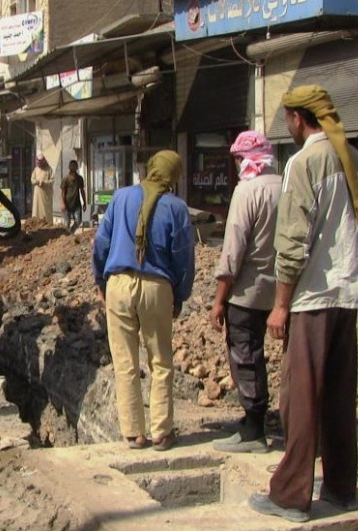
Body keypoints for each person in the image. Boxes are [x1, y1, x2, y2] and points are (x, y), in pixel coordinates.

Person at [248, 85, 358, 523]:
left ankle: (290, 495)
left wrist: (281, 304)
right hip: (348, 296)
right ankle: (341, 488)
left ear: (298, 119)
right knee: (339, 396)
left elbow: (293, 243)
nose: (287, 126)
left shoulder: (304, 162)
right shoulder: (355, 159)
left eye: (287, 118)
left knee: (300, 399)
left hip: (314, 298)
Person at [93, 150, 194, 452]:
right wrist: (180, 295)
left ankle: (134, 433)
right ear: (174, 175)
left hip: (118, 285)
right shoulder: (177, 208)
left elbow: (101, 243)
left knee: (125, 362)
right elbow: (184, 258)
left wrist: (101, 281)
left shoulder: (121, 198)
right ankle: (161, 432)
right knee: (161, 361)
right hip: (157, 287)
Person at [209, 131, 282, 454]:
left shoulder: (247, 191)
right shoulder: (287, 186)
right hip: (283, 292)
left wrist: (218, 300)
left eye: (238, 159)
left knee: (246, 357)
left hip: (248, 294)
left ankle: (254, 430)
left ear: (244, 160)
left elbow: (232, 251)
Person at [60, 160, 86, 233]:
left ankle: (71, 232)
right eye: (71, 166)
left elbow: (82, 191)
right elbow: (62, 192)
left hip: (77, 204)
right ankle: (65, 237)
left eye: (74, 166)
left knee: (78, 221)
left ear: (77, 167)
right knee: (66, 223)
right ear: (69, 167)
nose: (73, 167)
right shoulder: (66, 178)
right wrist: (62, 203)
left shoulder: (80, 178)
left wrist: (84, 202)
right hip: (67, 204)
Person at [30, 153, 54, 223]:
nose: (39, 164)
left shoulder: (49, 170)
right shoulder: (36, 169)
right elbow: (32, 180)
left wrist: (44, 182)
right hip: (38, 194)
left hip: (46, 194)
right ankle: (36, 223)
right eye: (38, 162)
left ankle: (47, 223)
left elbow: (52, 181)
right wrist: (37, 182)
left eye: (40, 162)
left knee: (46, 211)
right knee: (36, 209)